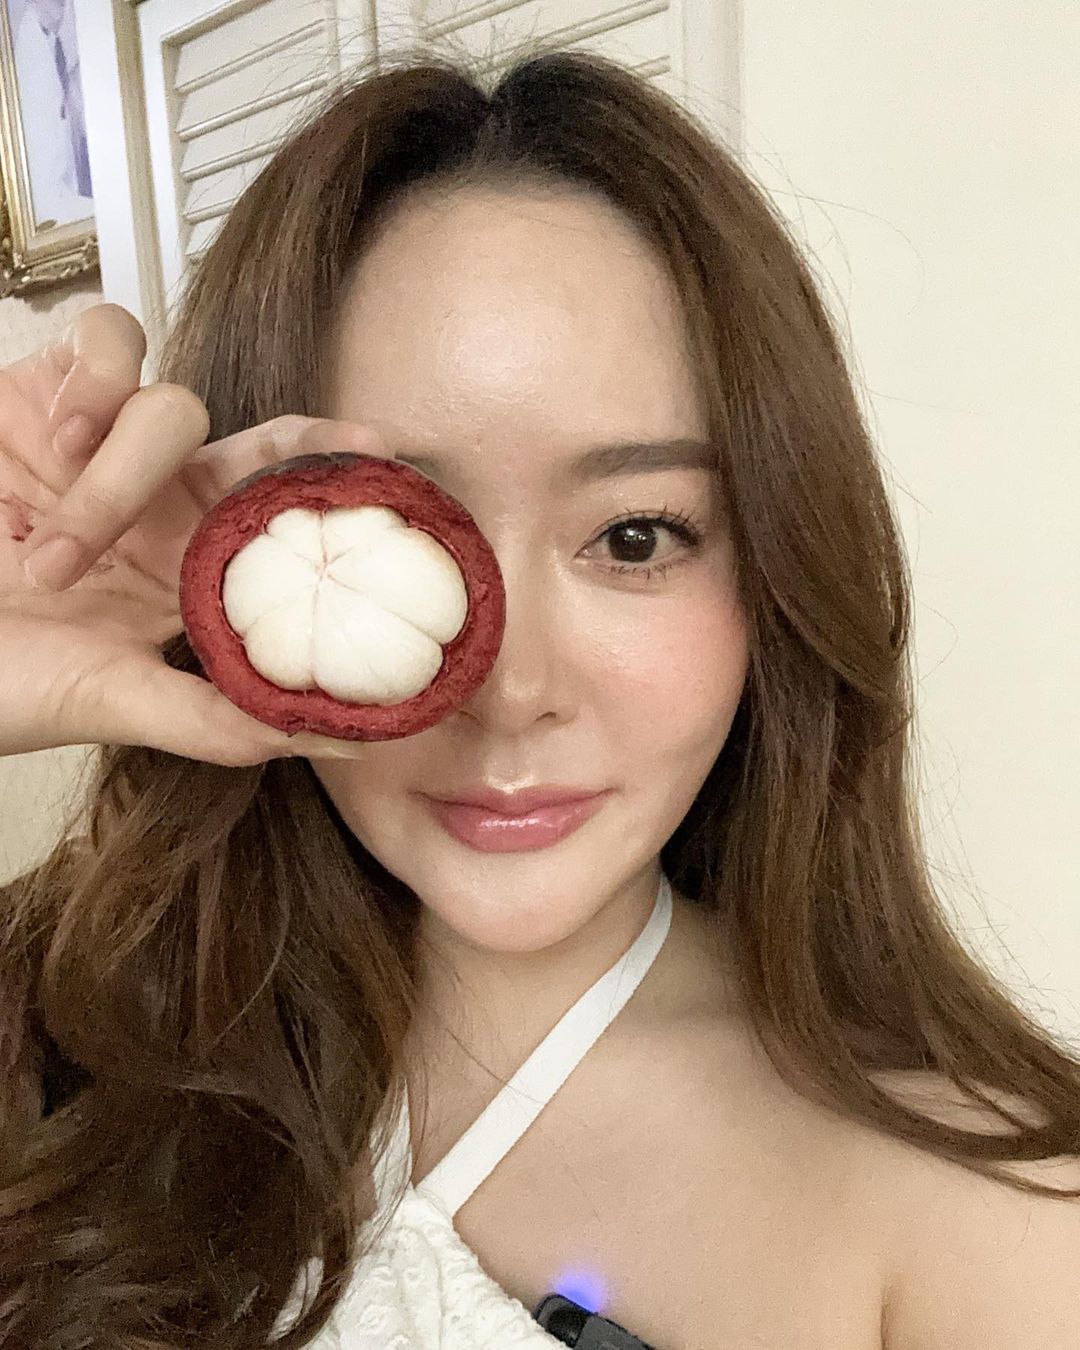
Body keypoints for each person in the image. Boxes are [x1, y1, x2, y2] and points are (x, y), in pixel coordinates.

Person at [1, 46, 1078, 1350]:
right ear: (234, 567)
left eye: (634, 537)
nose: (509, 693)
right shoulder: (54, 1018)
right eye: (401, 538)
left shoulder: (999, 1213)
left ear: (780, 571)